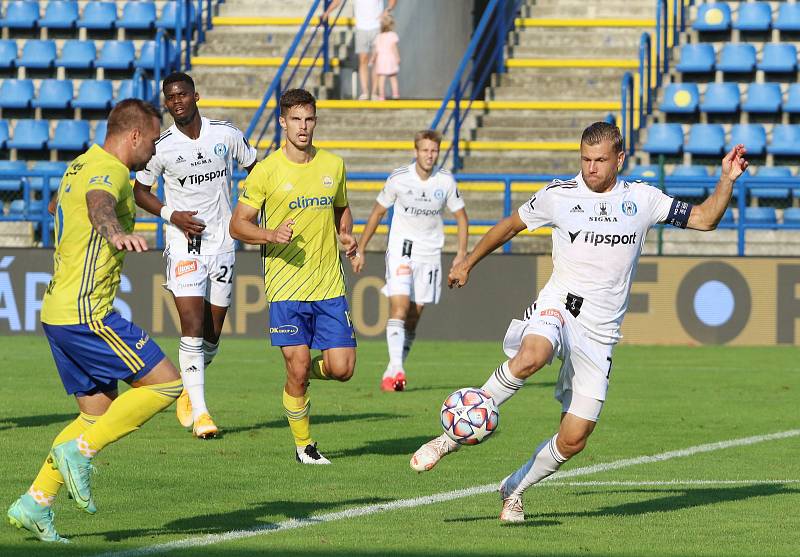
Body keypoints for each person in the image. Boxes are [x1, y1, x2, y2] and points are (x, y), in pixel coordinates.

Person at [409, 122, 749, 522]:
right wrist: (468, 261)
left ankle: (514, 489)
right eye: (585, 160)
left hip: (600, 333)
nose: (591, 168)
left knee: (574, 439)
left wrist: (726, 179)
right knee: (533, 353)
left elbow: (705, 219)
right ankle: (451, 436)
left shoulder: (643, 198)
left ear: (619, 159)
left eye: (600, 160)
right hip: (561, 304)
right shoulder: (560, 195)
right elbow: (511, 225)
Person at [7, 99, 183, 543]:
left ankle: (36, 503)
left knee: (98, 413)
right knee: (165, 384)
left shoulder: (79, 163)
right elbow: (99, 202)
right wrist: (114, 231)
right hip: (87, 311)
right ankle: (78, 455)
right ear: (135, 136)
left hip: (57, 310)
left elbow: (55, 206)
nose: (155, 148)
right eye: (154, 138)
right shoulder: (111, 171)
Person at [229, 88, 358, 465]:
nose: (303, 127)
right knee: (298, 366)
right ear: (283, 123)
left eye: (309, 119)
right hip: (286, 288)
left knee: (342, 369)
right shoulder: (267, 171)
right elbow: (239, 225)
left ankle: (297, 378)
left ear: (315, 121)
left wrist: (346, 235)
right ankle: (305, 446)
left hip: (329, 285)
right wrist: (270, 235)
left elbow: (342, 210)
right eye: (296, 120)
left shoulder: (333, 166)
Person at [133, 72, 257, 440]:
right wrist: (173, 216)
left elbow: (257, 170)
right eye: (170, 98)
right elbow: (141, 192)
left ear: (195, 95)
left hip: (221, 243)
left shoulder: (226, 135)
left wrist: (250, 213)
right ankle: (202, 414)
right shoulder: (161, 146)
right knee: (191, 321)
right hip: (182, 244)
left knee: (212, 336)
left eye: (182, 95)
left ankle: (189, 387)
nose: (177, 102)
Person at [352, 130, 468, 391]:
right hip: (401, 250)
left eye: (434, 151)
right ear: (416, 152)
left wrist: (461, 253)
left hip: (430, 255)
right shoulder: (399, 179)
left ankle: (392, 370)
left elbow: (462, 217)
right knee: (399, 309)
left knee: (414, 317)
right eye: (425, 150)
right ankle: (398, 370)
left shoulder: (445, 182)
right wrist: (361, 248)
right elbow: (378, 212)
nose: (429, 155)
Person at [322, 0, 397, 100]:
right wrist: (327, 12)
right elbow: (337, 1)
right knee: (363, 60)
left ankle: (374, 92)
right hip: (361, 27)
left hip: (377, 26)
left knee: (376, 61)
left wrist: (387, 10)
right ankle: (365, 92)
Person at [372, 14, 400, 100]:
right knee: (393, 77)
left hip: (381, 59)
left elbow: (376, 50)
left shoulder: (378, 36)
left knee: (381, 78)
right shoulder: (392, 35)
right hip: (390, 58)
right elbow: (394, 48)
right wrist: (397, 57)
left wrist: (373, 58)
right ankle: (395, 94)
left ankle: (381, 96)